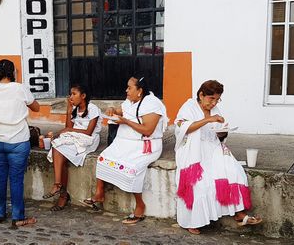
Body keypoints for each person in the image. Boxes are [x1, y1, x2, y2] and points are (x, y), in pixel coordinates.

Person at [174, 80, 262, 235]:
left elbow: (220, 135)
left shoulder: (216, 109)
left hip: (213, 148)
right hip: (192, 151)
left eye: (217, 99)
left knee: (234, 171)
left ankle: (238, 214)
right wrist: (208, 119)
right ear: (201, 95)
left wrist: (223, 131)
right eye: (211, 99)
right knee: (201, 184)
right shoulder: (188, 107)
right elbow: (183, 128)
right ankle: (193, 221)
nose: (214, 103)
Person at [84, 73, 168, 225]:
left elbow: (148, 130)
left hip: (145, 145)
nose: (126, 91)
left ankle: (140, 205)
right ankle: (99, 193)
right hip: (125, 143)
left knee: (133, 167)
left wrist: (125, 122)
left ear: (140, 90)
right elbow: (120, 111)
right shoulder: (130, 101)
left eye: (129, 88)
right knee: (103, 157)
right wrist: (112, 111)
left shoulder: (151, 104)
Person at [0, 59, 40, 228]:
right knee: (16, 179)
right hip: (18, 141)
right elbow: (36, 108)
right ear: (12, 73)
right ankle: (18, 217)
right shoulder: (20, 88)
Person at [43, 84, 102, 211]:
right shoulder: (75, 108)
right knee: (58, 148)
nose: (71, 97)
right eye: (70, 94)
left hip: (88, 139)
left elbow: (88, 132)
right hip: (74, 136)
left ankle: (60, 190)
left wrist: (69, 130)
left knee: (59, 149)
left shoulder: (93, 109)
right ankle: (61, 190)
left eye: (74, 94)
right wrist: (69, 109)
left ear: (83, 96)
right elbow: (68, 126)